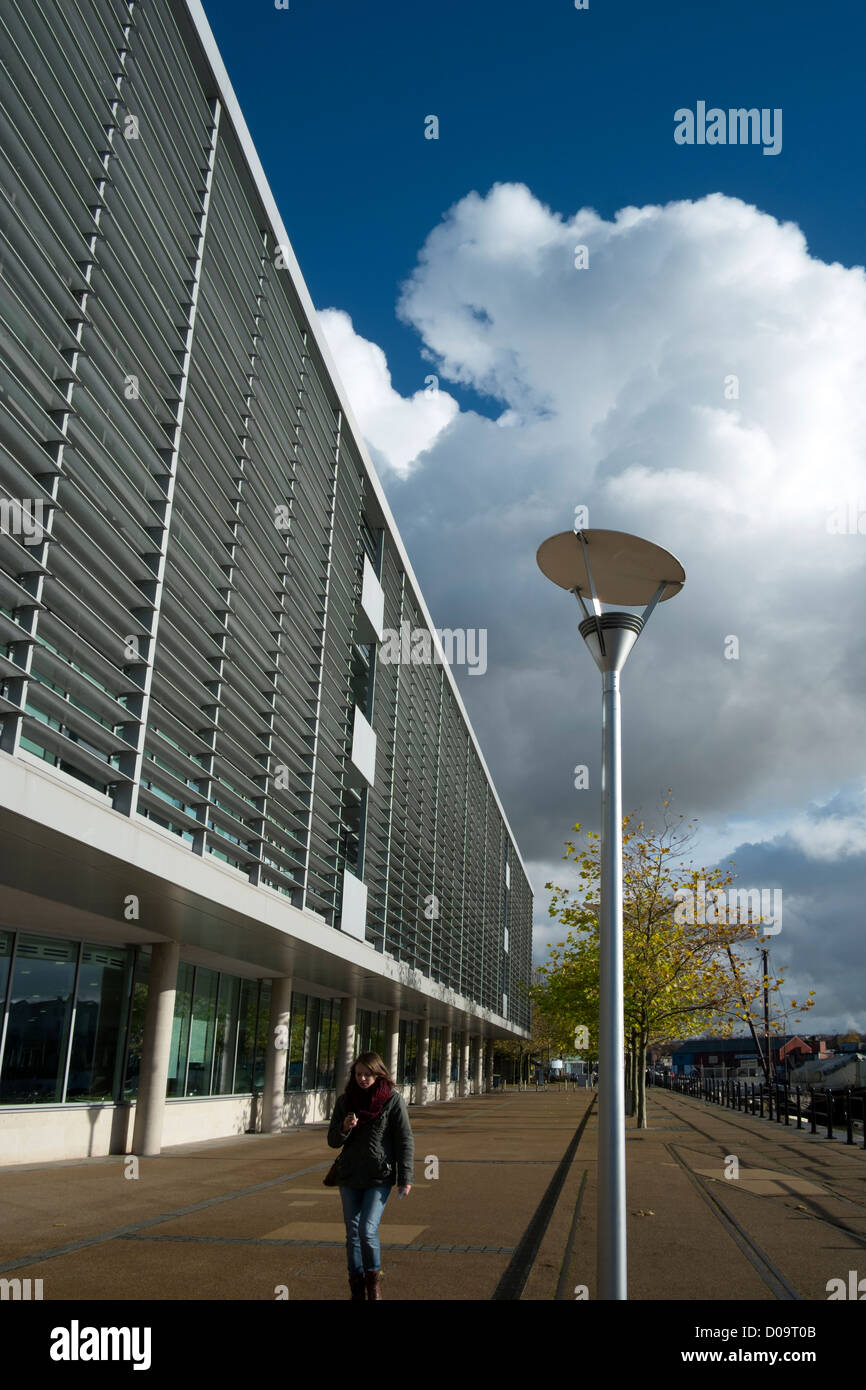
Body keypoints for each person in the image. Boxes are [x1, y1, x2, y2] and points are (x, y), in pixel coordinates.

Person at [327, 1051, 414, 1300]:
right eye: (358, 1074)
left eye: (367, 1074)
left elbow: (404, 1140)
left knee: (367, 1229)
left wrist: (405, 1177)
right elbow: (332, 1140)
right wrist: (344, 1128)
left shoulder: (392, 1101)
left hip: (379, 1176)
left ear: (378, 1074)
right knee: (352, 1232)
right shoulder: (345, 1101)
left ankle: (373, 1284)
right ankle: (356, 1286)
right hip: (350, 1175)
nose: (363, 1079)